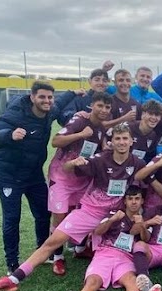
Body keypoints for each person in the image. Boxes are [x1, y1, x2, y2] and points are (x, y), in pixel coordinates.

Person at [0, 123, 162, 291]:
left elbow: (146, 178)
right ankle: (13, 279)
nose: (122, 142)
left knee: (125, 248)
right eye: (118, 139)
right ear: (111, 142)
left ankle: (128, 278)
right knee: (52, 242)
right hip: (90, 212)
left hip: (115, 216)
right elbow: (68, 168)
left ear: (132, 141)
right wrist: (73, 163)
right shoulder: (100, 160)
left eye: (125, 138)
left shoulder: (137, 163)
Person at [0, 81, 80, 274]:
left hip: (33, 174)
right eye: (42, 97)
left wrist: (73, 92)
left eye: (49, 97)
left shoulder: (50, 111)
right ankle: (12, 263)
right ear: (32, 97)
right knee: (12, 218)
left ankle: (43, 252)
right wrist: (9, 134)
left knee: (43, 213)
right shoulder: (16, 114)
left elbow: (60, 103)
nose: (47, 101)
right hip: (9, 175)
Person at [63, 186, 162, 291]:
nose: (134, 202)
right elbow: (98, 231)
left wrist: (142, 225)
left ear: (142, 201)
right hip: (105, 253)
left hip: (126, 256)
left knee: (130, 280)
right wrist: (112, 220)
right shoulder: (113, 213)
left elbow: (146, 239)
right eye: (130, 199)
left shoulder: (145, 218)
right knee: (93, 281)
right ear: (125, 201)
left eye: (137, 199)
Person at [47, 92, 112, 275]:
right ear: (92, 105)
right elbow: (56, 141)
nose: (104, 110)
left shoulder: (101, 128)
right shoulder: (79, 121)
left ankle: (79, 249)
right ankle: (57, 258)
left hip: (81, 179)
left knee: (78, 215)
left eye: (107, 107)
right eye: (100, 105)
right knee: (59, 217)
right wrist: (81, 134)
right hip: (61, 177)